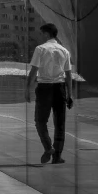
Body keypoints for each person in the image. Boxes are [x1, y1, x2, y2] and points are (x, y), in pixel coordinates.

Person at [24, 23, 73, 164]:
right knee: (60, 123)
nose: (41, 36)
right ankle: (57, 156)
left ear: (46, 34)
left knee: (40, 121)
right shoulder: (64, 50)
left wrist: (27, 89)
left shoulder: (40, 49)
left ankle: (48, 147)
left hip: (44, 88)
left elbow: (33, 71)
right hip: (60, 88)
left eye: (41, 33)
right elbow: (68, 74)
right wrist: (70, 94)